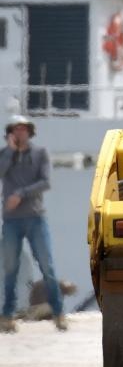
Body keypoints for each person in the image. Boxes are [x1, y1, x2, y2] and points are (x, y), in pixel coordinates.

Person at [1, 115, 65, 333]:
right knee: (10, 269)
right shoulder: (4, 155)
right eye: (16, 129)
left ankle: (58, 312)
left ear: (30, 132)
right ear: (10, 133)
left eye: (23, 129)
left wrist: (21, 193)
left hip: (36, 218)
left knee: (47, 265)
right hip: (11, 221)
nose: (20, 132)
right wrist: (10, 152)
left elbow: (46, 182)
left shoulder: (40, 153)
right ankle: (7, 316)